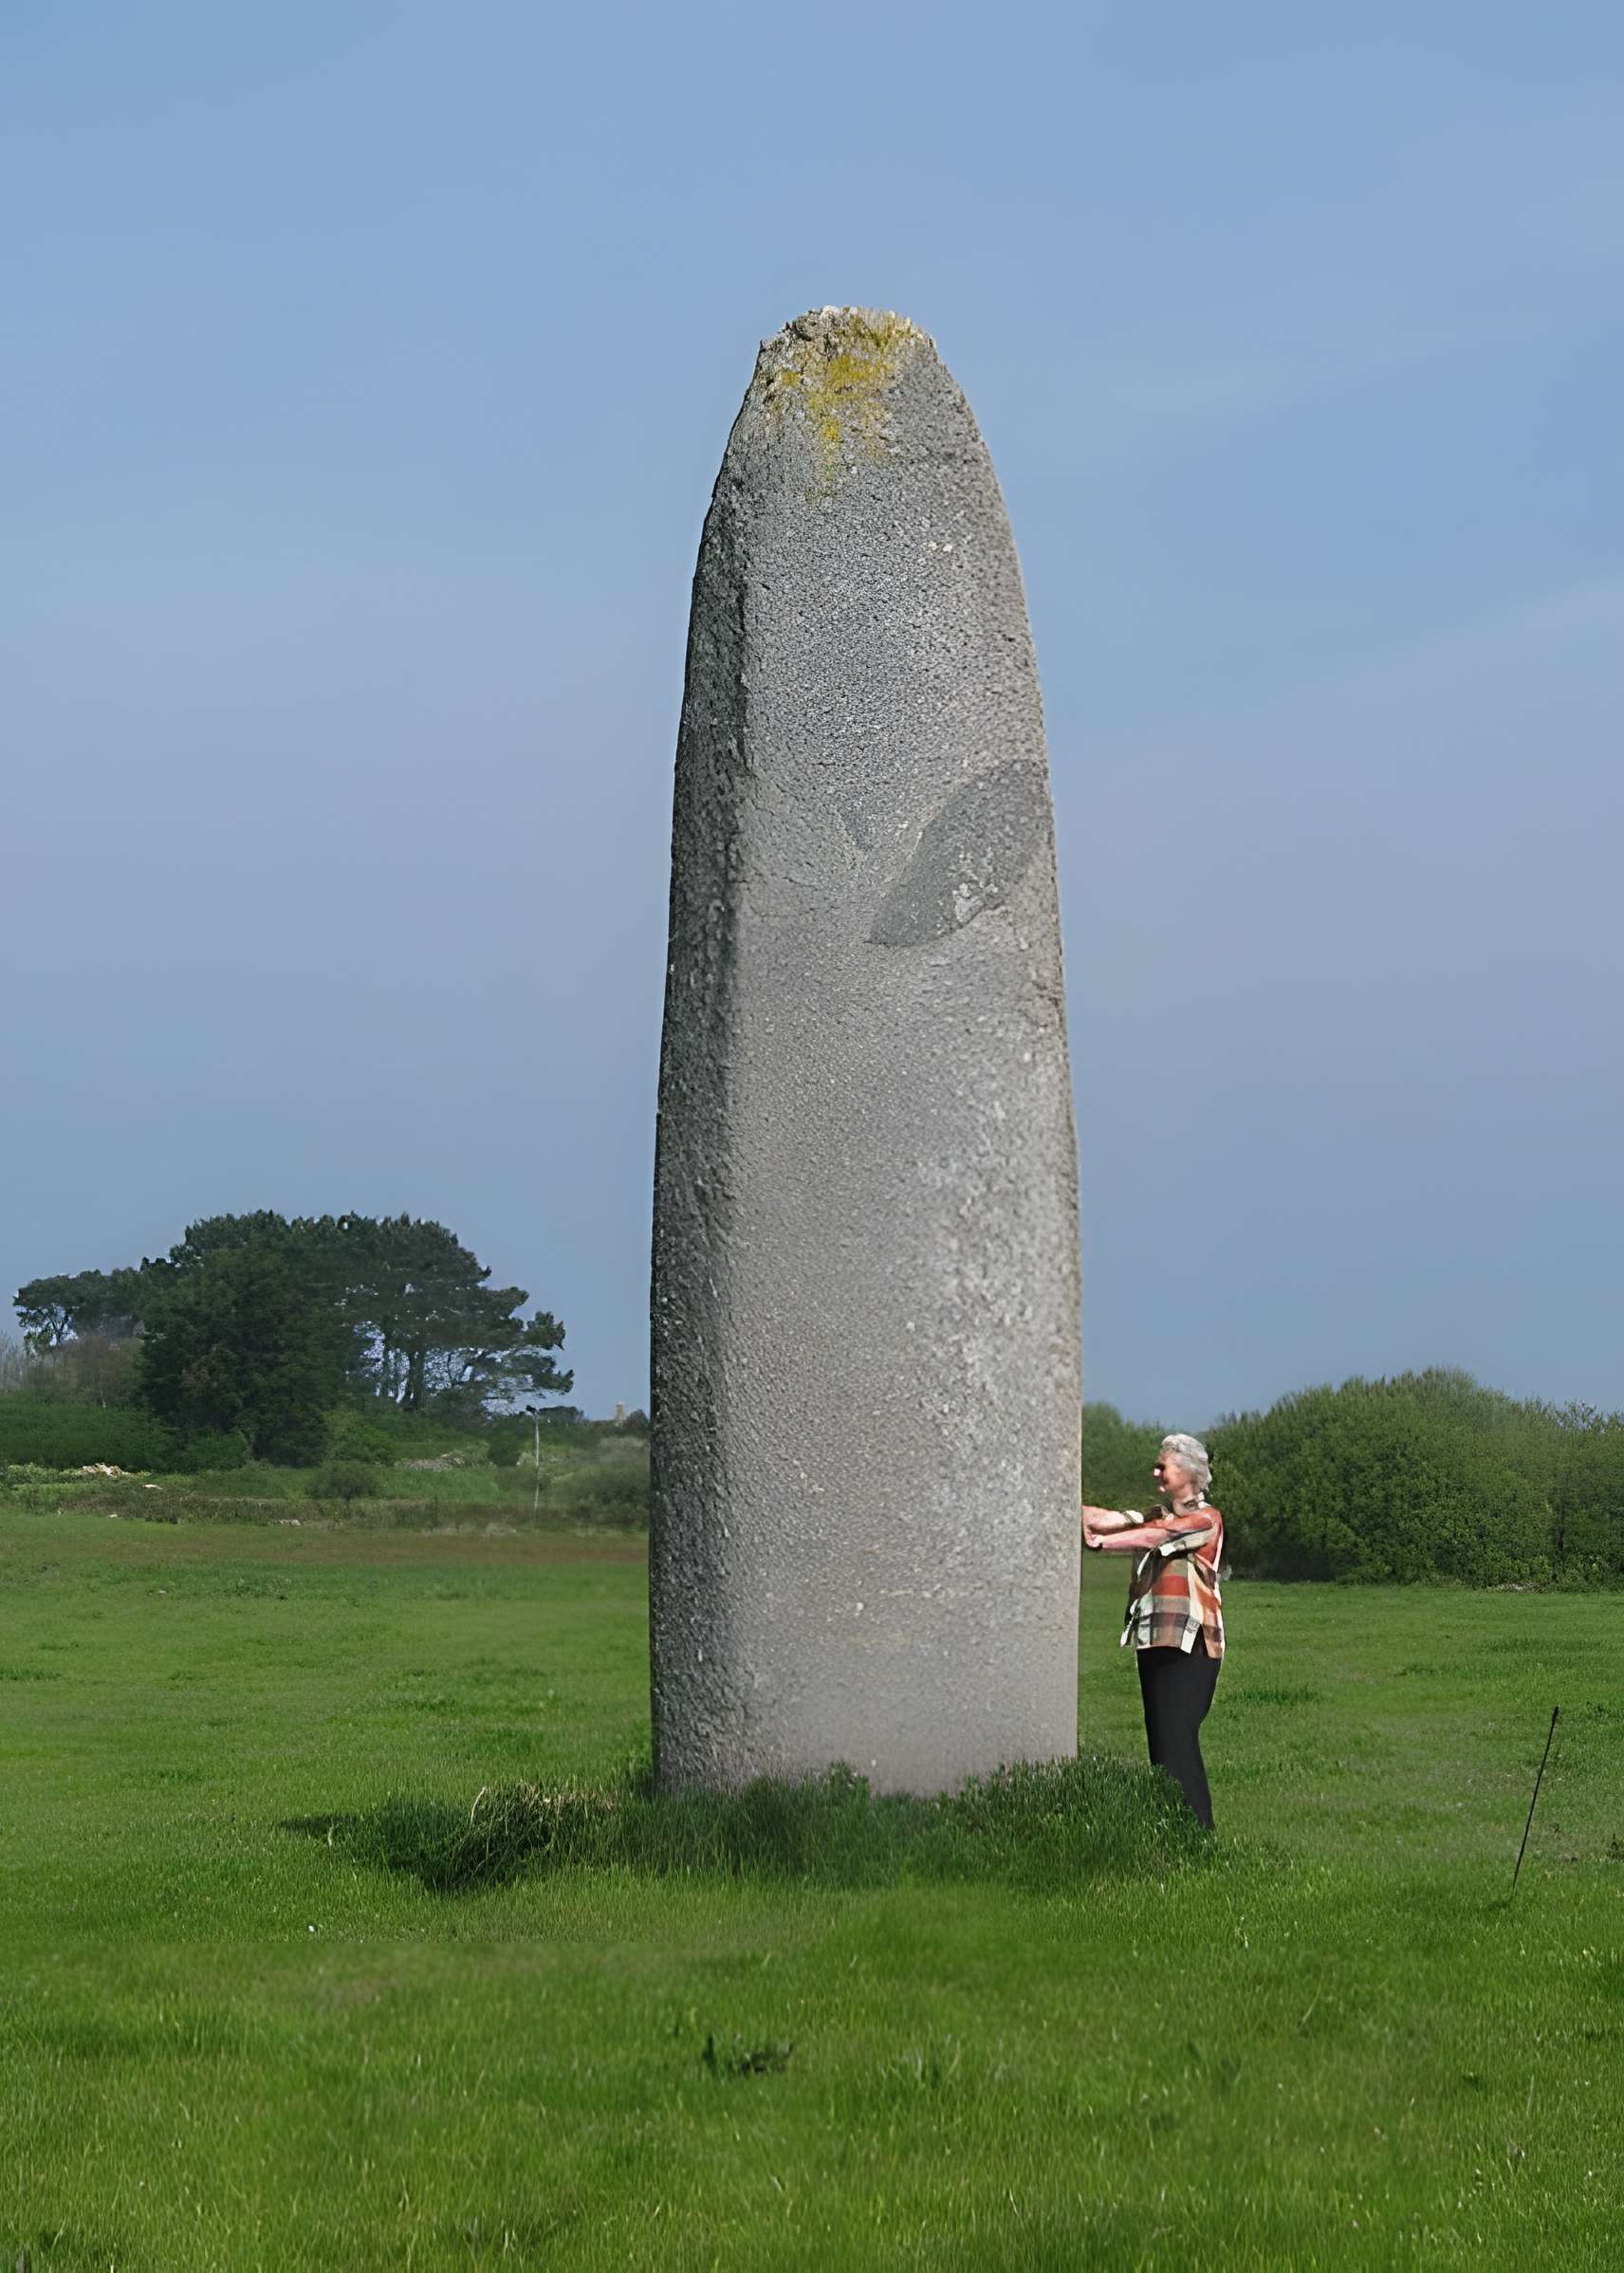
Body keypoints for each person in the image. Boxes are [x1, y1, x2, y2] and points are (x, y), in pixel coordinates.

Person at [1081, 1433, 1225, 1830]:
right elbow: (1112, 1518)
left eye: (1164, 1466)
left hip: (1192, 1647)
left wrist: (1099, 1545)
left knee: (1179, 1739)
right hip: (1154, 1642)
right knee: (1160, 1743)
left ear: (1190, 1472)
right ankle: (1170, 1831)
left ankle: (1198, 1834)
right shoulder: (1157, 1514)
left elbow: (1159, 1537)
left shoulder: (1206, 1519)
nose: (1156, 1472)